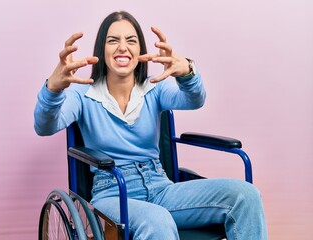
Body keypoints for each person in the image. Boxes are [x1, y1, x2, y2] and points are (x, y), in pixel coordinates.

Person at [34, 11, 267, 240]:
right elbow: (44, 126)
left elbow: (195, 99)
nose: (122, 47)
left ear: (140, 51)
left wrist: (187, 72)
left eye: (131, 41)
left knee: (245, 196)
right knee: (158, 219)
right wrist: (52, 90)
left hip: (160, 186)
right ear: (101, 50)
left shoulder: (155, 88)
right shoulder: (83, 94)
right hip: (113, 192)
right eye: (113, 40)